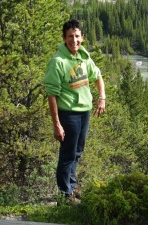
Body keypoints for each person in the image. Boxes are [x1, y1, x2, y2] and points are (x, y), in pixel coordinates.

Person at [43, 19, 105, 199]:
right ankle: (65, 194)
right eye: (70, 36)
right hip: (68, 113)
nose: (74, 40)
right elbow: (51, 94)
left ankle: (71, 185)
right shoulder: (58, 61)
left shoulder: (84, 57)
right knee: (68, 154)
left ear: (82, 37)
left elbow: (98, 75)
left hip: (84, 112)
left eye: (77, 36)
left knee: (77, 151)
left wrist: (102, 97)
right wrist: (57, 124)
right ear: (64, 38)